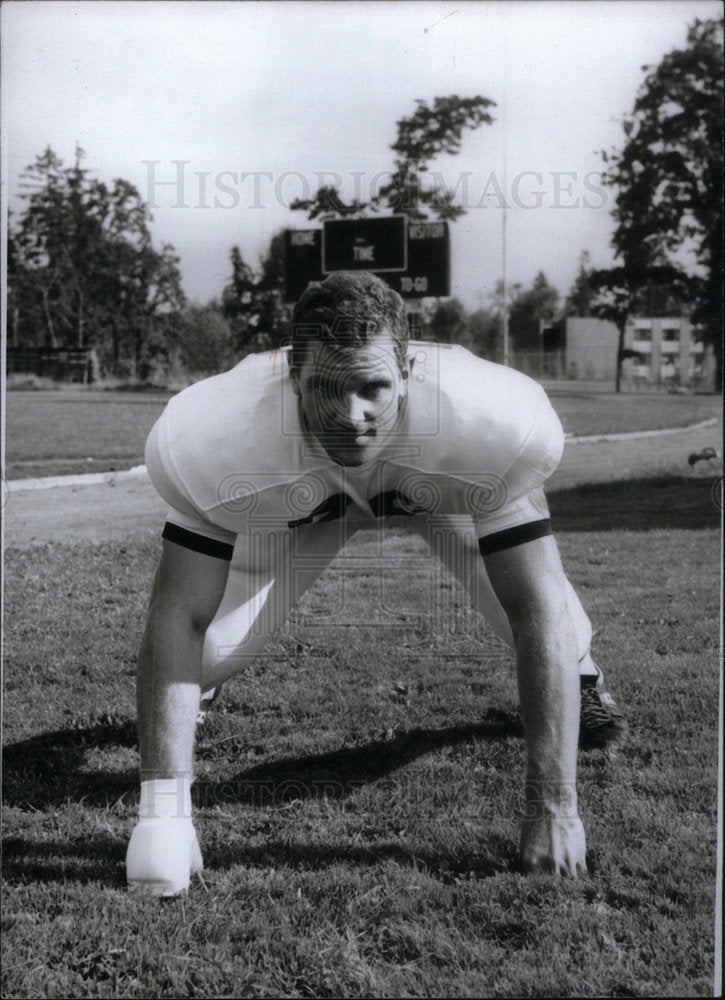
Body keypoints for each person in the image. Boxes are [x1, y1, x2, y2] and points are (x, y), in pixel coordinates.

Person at [126, 271, 627, 895]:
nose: (351, 415)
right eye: (326, 389)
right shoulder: (217, 435)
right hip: (302, 497)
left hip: (436, 490)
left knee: (556, 627)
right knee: (203, 655)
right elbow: (179, 612)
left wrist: (555, 806)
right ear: (291, 375)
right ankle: (192, 699)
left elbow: (536, 604)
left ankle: (585, 680)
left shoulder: (486, 422)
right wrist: (162, 817)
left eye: (373, 387)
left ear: (409, 371)